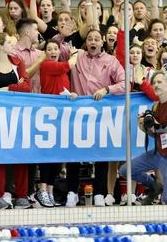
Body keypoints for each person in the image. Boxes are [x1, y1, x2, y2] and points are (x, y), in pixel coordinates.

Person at [66, 30, 125, 207]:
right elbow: (55, 54)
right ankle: (72, 192)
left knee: (101, 154)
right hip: (77, 114)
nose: (93, 41)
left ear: (103, 42)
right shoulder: (77, 56)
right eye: (90, 38)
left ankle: (99, 193)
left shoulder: (111, 61)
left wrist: (107, 90)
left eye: (97, 39)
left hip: (101, 115)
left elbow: (124, 83)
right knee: (74, 153)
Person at [119, 71, 167, 205]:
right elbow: (156, 133)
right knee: (125, 170)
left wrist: (166, 129)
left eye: (159, 82)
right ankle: (154, 185)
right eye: (154, 82)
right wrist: (144, 127)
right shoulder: (156, 105)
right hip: (159, 153)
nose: (155, 85)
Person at [0, 32, 31, 209]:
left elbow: (27, 87)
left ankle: (22, 194)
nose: (13, 45)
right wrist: (11, 90)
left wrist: (8, 87)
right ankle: (0, 194)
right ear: (1, 46)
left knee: (21, 155)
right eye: (10, 42)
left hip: (19, 115)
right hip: (0, 117)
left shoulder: (18, 63)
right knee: (0, 156)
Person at [37, 40, 78, 207]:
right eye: (49, 49)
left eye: (56, 48)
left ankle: (51, 191)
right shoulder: (47, 65)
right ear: (45, 53)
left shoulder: (61, 69)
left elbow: (62, 89)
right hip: (49, 117)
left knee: (57, 156)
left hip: (61, 118)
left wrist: (71, 95)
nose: (53, 51)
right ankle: (42, 190)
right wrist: (75, 53)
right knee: (47, 155)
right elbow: (70, 64)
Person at [14, 18, 45, 93]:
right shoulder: (13, 53)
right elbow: (21, 77)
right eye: (36, 29)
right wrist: (39, 61)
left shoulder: (39, 53)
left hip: (40, 98)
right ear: (27, 32)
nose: (38, 33)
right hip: (22, 99)